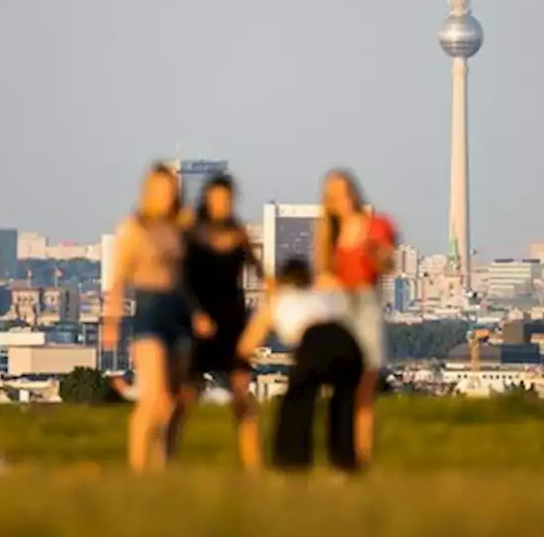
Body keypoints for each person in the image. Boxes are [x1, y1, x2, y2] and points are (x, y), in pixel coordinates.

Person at [102, 163, 203, 472]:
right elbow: (119, 277)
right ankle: (138, 468)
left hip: (178, 309)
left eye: (171, 190)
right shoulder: (133, 227)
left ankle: (165, 465)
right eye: (161, 189)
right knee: (155, 397)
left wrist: (197, 313)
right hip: (149, 310)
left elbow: (185, 278)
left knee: (177, 399)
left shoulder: (181, 227)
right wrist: (111, 322)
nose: (167, 195)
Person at [168, 173, 263, 470]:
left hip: (233, 319)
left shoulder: (239, 233)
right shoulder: (192, 233)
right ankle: (165, 457)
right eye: (218, 199)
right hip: (201, 320)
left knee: (242, 393)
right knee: (185, 394)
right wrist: (194, 314)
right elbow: (181, 279)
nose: (223, 205)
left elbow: (259, 271)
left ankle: (253, 465)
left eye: (228, 199)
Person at [238, 257, 364, 472]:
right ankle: (345, 463)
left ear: (282, 281)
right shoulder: (323, 295)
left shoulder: (278, 300)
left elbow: (247, 345)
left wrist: (238, 365)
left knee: (296, 402)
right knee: (343, 405)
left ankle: (292, 461)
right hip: (348, 342)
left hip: (315, 340)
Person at [313, 169, 398, 468]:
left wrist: (379, 254)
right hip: (338, 306)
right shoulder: (328, 233)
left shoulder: (378, 225)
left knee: (365, 383)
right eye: (335, 194)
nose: (343, 198)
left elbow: (388, 263)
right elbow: (322, 275)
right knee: (340, 384)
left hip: (365, 303)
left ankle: (361, 456)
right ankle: (340, 453)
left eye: (346, 190)